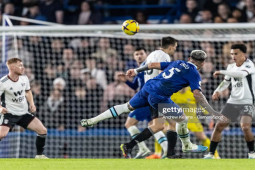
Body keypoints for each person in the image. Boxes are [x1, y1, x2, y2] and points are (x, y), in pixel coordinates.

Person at [81, 49, 220, 158]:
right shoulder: (194, 73)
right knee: (182, 119)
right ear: (202, 63)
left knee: (128, 108)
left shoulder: (178, 62)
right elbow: (197, 94)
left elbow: (152, 65)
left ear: (189, 58)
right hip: (159, 96)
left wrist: (136, 71)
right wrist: (212, 112)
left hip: (148, 87)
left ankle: (96, 121)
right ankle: (186, 145)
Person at [204, 44, 255, 159]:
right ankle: (211, 154)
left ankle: (252, 153)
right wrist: (217, 90)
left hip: (247, 101)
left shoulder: (249, 65)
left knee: (245, 127)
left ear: (243, 54)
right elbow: (226, 82)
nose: (233, 56)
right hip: (233, 101)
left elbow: (241, 74)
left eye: (236, 54)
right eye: (232, 54)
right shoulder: (230, 67)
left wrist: (221, 72)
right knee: (219, 126)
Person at [118, 47, 168, 159]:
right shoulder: (141, 68)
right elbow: (136, 86)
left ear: (146, 55)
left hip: (146, 100)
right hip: (154, 99)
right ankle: (167, 150)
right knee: (155, 126)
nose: (139, 56)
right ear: (134, 56)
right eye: (137, 54)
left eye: (141, 53)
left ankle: (143, 148)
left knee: (129, 124)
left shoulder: (147, 66)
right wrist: (126, 81)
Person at [0, 58, 48, 159]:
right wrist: (0, 108)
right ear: (13, 67)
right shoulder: (3, 82)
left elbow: (28, 91)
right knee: (1, 135)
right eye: (20, 65)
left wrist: (32, 103)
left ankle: (39, 156)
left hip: (23, 113)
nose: (23, 68)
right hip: (9, 113)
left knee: (42, 130)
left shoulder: (24, 78)